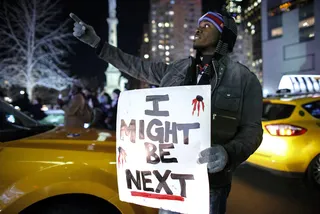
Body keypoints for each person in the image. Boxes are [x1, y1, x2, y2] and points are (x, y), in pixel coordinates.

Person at [70, 10, 263, 214]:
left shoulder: (244, 79)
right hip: (170, 183)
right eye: (198, 24)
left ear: (224, 36)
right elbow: (134, 65)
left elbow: (253, 131)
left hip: (210, 187)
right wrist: (97, 44)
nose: (198, 29)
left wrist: (228, 154)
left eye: (207, 26)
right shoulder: (177, 69)